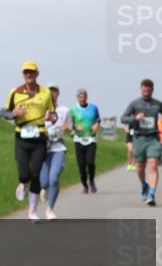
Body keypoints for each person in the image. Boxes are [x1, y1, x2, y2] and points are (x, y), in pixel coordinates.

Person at [7, 61, 56, 222]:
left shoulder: (46, 92)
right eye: (26, 72)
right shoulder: (15, 92)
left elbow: (53, 115)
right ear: (23, 74)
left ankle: (32, 211)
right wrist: (14, 113)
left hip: (40, 137)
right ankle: (23, 183)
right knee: (24, 173)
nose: (28, 75)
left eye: (31, 72)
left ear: (37, 74)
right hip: (21, 136)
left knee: (35, 174)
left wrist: (51, 117)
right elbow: (6, 113)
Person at [120, 79, 162, 206]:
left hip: (153, 138)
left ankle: (151, 194)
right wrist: (134, 118)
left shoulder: (158, 104)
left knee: (153, 164)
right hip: (139, 138)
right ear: (141, 90)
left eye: (148, 90)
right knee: (140, 167)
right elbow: (123, 118)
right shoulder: (135, 104)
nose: (146, 93)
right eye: (144, 90)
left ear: (152, 90)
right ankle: (144, 185)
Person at [39, 83, 71, 220]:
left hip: (58, 148)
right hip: (43, 149)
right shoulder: (41, 110)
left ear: (58, 93)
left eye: (55, 91)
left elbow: (70, 128)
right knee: (44, 181)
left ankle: (50, 209)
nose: (52, 94)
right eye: (50, 91)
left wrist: (68, 128)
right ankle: (43, 188)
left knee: (54, 178)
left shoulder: (65, 110)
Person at [70, 88, 101, 194]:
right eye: (80, 97)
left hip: (91, 139)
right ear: (77, 98)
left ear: (86, 97)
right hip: (78, 140)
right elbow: (70, 124)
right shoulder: (73, 109)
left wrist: (97, 125)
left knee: (90, 162)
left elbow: (98, 119)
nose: (82, 98)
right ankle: (85, 185)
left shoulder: (93, 108)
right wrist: (75, 127)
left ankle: (91, 181)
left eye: (84, 96)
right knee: (81, 165)